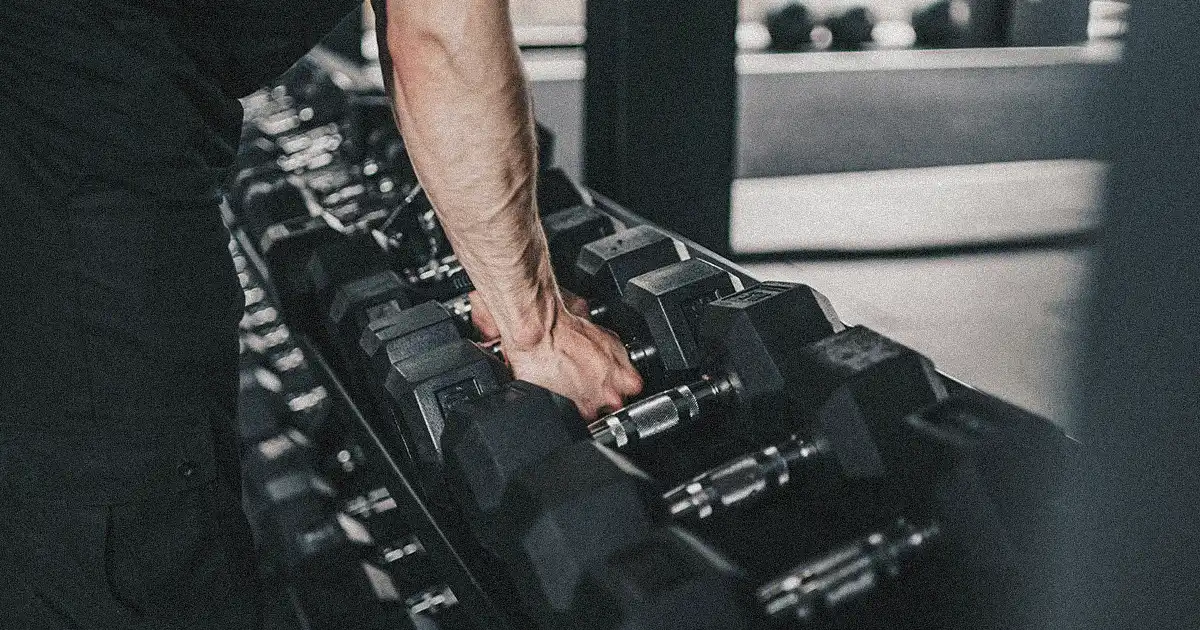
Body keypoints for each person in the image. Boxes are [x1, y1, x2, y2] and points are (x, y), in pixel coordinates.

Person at [0, 0, 643, 627]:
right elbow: (438, 38)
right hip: (65, 188)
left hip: (74, 143)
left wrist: (500, 273)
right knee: (132, 565)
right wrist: (539, 330)